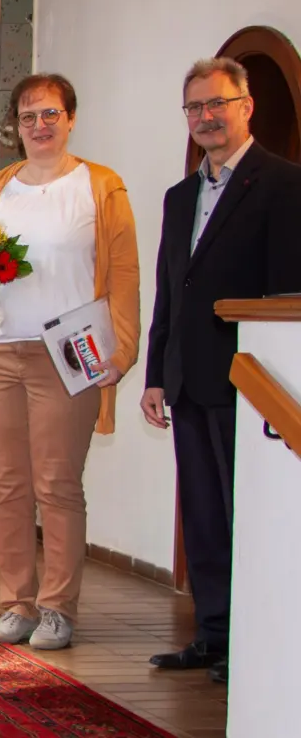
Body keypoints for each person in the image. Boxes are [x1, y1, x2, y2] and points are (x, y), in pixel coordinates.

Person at [0, 73, 140, 651]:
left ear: (70, 119)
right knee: (5, 483)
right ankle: (17, 603)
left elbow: (123, 273)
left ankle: (58, 609)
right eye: (28, 116)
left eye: (50, 114)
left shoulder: (100, 186)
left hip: (69, 354)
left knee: (57, 483)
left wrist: (123, 348)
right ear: (15, 126)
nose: (39, 125)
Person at [143, 58, 301, 684]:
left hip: (250, 382)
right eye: (195, 107)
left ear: (246, 106)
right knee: (204, 519)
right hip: (188, 380)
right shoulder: (180, 196)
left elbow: (287, 291)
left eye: (218, 104)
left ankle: (253, 642)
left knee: (247, 518)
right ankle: (212, 635)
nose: (206, 117)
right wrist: (156, 374)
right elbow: (170, 291)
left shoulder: (285, 185)